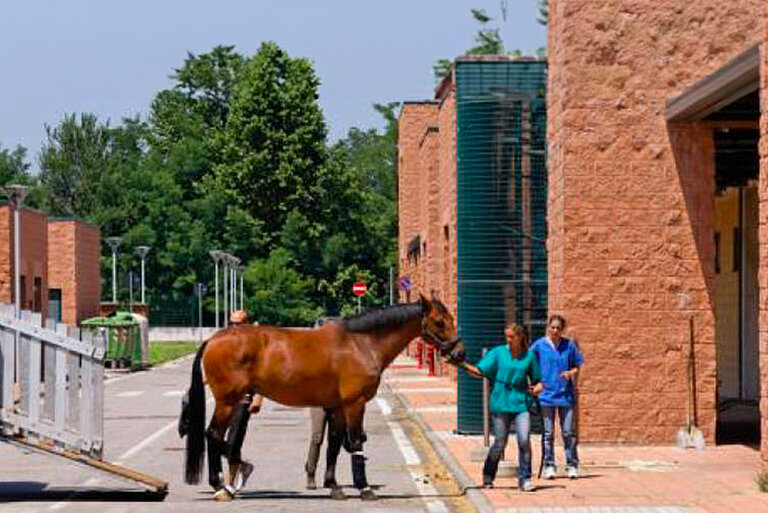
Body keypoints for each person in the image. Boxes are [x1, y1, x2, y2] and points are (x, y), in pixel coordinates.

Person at [463, 323, 542, 491]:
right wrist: (461, 365)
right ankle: (488, 475)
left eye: (511, 337)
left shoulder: (529, 356)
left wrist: (538, 388)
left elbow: (538, 381)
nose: (508, 340)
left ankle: (525, 479)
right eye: (506, 336)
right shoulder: (498, 353)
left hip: (521, 404)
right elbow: (480, 371)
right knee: (500, 443)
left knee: (524, 440)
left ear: (520, 337)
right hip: (500, 404)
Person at [530, 314, 584, 480]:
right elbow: (529, 362)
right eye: (552, 327)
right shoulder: (539, 345)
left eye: (558, 328)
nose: (555, 331)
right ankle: (549, 465)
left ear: (562, 329)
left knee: (568, 432)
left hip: (565, 395)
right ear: (548, 327)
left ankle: (572, 464)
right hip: (546, 395)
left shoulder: (569, 346)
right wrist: (534, 383)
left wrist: (571, 373)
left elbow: (577, 365)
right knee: (548, 433)